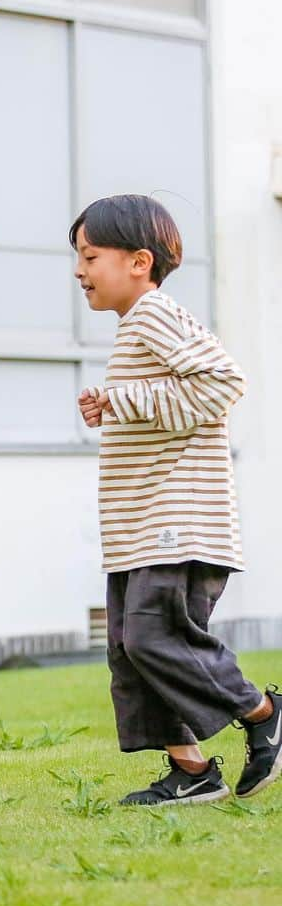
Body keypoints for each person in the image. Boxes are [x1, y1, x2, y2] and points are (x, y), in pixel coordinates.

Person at [73, 193, 280, 805]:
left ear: (139, 261)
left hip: (179, 522)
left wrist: (126, 399)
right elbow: (173, 398)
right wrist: (117, 403)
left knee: (153, 637)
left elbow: (223, 381)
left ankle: (264, 712)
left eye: (90, 255)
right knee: (130, 648)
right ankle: (191, 772)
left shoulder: (153, 312)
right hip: (140, 525)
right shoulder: (136, 324)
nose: (79, 271)